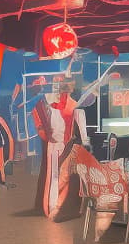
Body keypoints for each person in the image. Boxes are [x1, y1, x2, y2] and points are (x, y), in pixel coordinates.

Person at [33, 84, 90, 220]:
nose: (59, 94)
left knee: (62, 177)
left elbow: (82, 132)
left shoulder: (74, 108)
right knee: (54, 176)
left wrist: (85, 146)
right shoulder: (53, 108)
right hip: (55, 146)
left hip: (66, 146)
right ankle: (52, 206)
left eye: (61, 92)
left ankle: (57, 206)